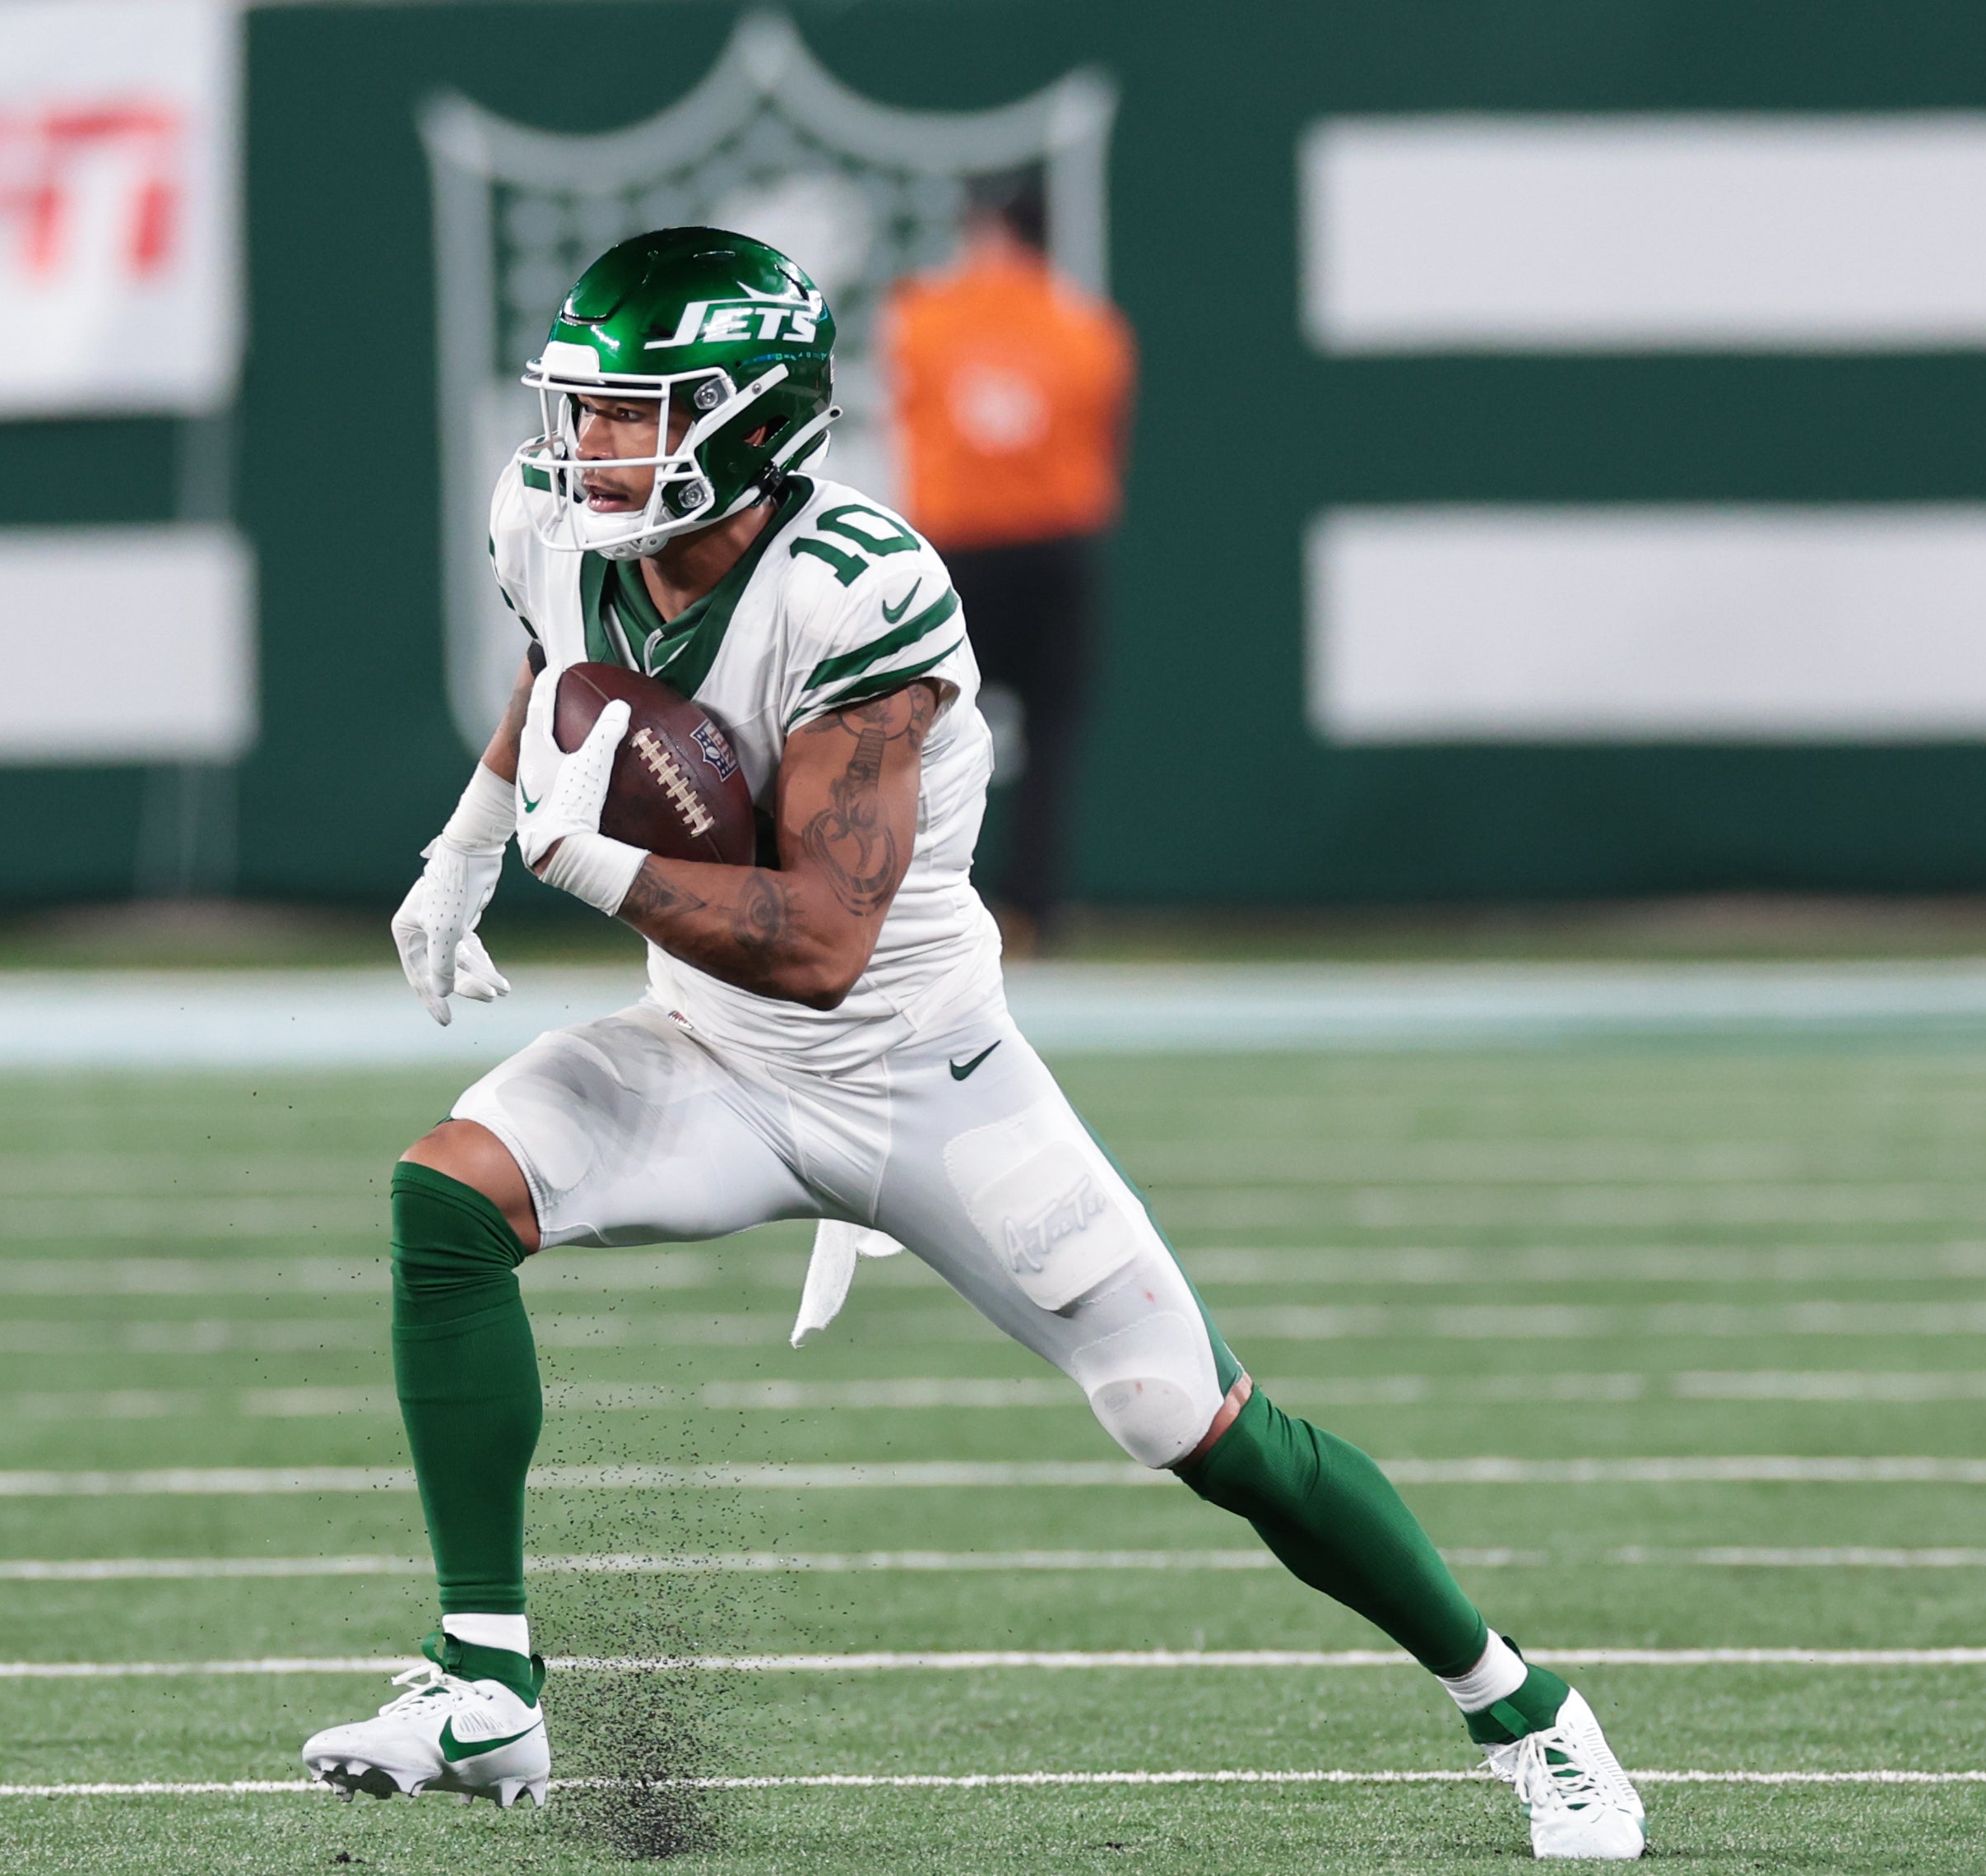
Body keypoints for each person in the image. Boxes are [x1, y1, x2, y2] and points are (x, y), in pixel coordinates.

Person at [299, 227, 1645, 1860]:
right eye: (582, 410)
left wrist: (581, 860)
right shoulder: (553, 522)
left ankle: (1525, 1710)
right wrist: (467, 841)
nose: (588, 448)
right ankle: (484, 1682)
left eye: (634, 413)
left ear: (750, 422)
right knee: (445, 1203)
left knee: (1185, 1415)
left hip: (913, 1072)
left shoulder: (856, 592)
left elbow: (820, 946)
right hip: (705, 1055)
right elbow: (568, 675)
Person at [885, 173, 1135, 948]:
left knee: (912, 732)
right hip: (1051, 548)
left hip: (956, 551)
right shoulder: (1088, 326)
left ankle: (905, 906)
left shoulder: (922, 315)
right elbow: (1102, 438)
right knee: (1050, 735)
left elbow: (910, 407)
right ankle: (1032, 907)